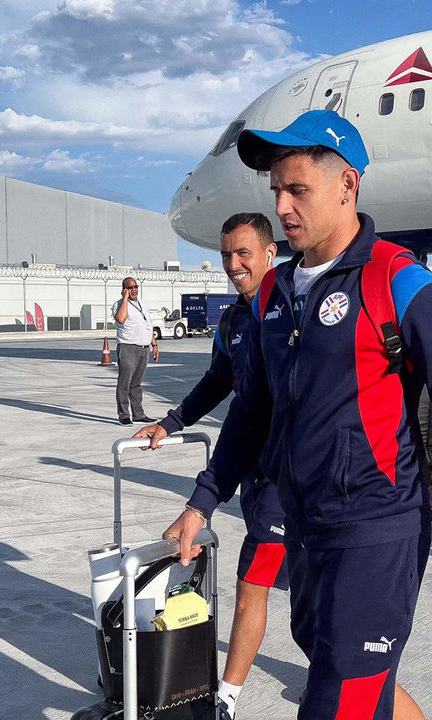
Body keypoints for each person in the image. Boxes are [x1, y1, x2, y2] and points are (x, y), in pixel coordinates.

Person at [163, 109, 432, 720]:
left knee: (340, 698)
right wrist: (203, 499)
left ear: (346, 187)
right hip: (306, 528)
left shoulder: (400, 282)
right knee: (357, 684)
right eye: (276, 190)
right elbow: (253, 411)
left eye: (297, 189)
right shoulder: (274, 295)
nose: (281, 206)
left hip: (377, 527)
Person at [133, 213, 280, 720]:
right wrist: (170, 423)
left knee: (309, 596)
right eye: (226, 255)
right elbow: (219, 383)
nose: (233, 264)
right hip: (257, 474)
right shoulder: (233, 321)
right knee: (253, 584)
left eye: (243, 253)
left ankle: (333, 671)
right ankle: (228, 699)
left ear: (269, 253)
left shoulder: (290, 311)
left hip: (299, 476)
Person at [111, 277, 158, 425]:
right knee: (124, 383)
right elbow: (121, 319)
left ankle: (138, 414)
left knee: (136, 384)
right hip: (128, 347)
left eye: (135, 286)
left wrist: (154, 345)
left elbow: (148, 324)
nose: (134, 290)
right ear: (124, 289)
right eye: (130, 287)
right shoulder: (119, 305)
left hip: (144, 348)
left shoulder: (142, 304)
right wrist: (125, 299)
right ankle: (124, 415)